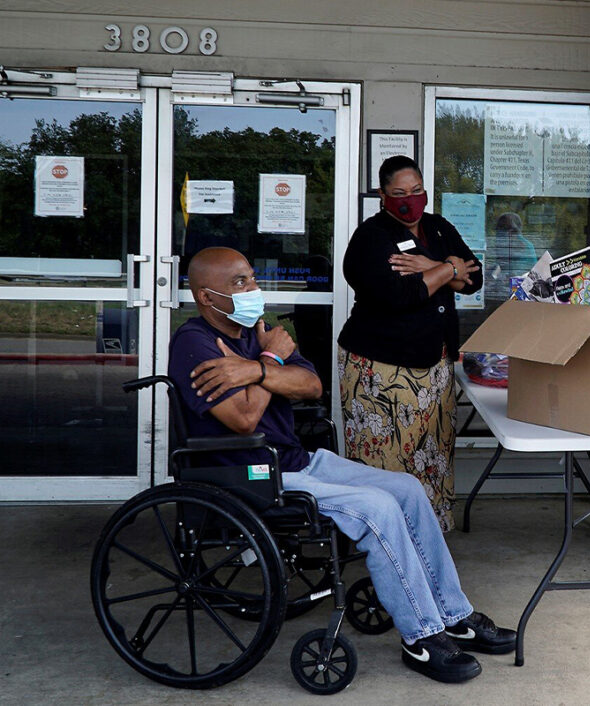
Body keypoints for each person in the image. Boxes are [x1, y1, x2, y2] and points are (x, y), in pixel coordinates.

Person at [168, 246, 513, 684]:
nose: (253, 289)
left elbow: (311, 386)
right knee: (377, 507)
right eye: (239, 283)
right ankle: (421, 637)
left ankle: (453, 614)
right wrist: (271, 361)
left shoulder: (258, 333)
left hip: (296, 460)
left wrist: (253, 369)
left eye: (252, 278)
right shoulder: (194, 344)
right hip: (252, 475)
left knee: (406, 488)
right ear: (205, 296)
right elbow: (244, 417)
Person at [338, 155, 482, 531]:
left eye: (417, 191)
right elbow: (400, 297)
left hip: (433, 366)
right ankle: (383, 536)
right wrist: (447, 268)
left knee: (431, 454)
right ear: (383, 195)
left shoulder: (437, 227)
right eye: (399, 193)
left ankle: (427, 534)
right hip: (382, 368)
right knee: (387, 458)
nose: (410, 199)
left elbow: (475, 278)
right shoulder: (371, 238)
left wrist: (424, 268)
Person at [486, 211, 538, 299]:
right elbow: (501, 266)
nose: (497, 238)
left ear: (509, 232)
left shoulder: (520, 246)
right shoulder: (519, 244)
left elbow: (515, 274)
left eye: (499, 233)